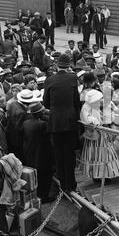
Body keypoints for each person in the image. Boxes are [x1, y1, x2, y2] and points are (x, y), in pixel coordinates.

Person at [43, 54, 81, 193]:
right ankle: (71, 184)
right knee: (69, 153)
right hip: (70, 122)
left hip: (55, 122)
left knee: (59, 154)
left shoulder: (49, 80)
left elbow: (46, 102)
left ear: (56, 65)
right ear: (69, 65)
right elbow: (76, 100)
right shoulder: (72, 78)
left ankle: (63, 185)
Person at [79, 89, 119, 181]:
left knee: (103, 154)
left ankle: (105, 175)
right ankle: (98, 175)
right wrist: (96, 121)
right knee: (97, 155)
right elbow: (86, 119)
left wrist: (117, 111)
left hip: (101, 134)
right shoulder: (86, 107)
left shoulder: (96, 103)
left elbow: (110, 104)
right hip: (94, 135)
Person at [22, 102, 55, 203]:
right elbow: (51, 125)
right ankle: (44, 196)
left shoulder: (26, 123)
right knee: (45, 176)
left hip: (30, 154)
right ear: (40, 112)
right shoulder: (42, 124)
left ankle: (37, 194)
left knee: (36, 176)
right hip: (42, 155)